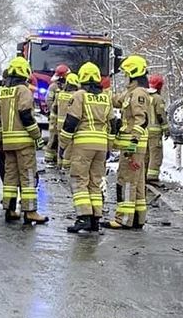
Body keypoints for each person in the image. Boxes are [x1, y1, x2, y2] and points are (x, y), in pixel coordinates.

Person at [0, 56, 49, 224]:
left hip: (8, 142)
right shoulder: (23, 90)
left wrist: (2, 138)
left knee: (10, 177)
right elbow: (26, 115)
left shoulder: (3, 91)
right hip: (24, 142)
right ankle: (30, 211)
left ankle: (10, 209)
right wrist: (37, 137)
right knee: (28, 176)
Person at [61, 63, 112, 233]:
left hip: (83, 144)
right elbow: (113, 123)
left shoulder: (79, 95)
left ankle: (83, 217)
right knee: (95, 182)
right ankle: (95, 219)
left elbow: (71, 122)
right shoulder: (106, 97)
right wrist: (109, 146)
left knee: (79, 180)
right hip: (101, 145)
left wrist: (63, 145)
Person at [107, 54, 151, 230]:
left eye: (126, 73)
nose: (125, 76)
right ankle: (137, 219)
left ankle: (123, 219)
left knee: (125, 181)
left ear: (133, 73)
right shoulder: (131, 92)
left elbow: (142, 120)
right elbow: (117, 101)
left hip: (133, 147)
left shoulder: (139, 94)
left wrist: (132, 144)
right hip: (133, 146)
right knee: (137, 184)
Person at [44, 64, 70, 168]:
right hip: (55, 118)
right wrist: (54, 111)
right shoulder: (54, 86)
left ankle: (60, 159)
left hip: (66, 117)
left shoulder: (70, 85)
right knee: (53, 138)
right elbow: (49, 100)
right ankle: (50, 158)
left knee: (63, 139)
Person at [146, 74, 168, 184]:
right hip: (154, 132)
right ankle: (152, 177)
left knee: (146, 155)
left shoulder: (143, 96)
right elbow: (161, 115)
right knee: (156, 155)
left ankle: (144, 175)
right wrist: (166, 128)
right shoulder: (157, 99)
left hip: (143, 131)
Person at [56, 72, 80, 172]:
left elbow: (54, 108)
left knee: (61, 144)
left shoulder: (60, 94)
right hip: (70, 124)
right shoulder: (76, 96)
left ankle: (59, 163)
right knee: (69, 147)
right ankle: (66, 165)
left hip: (59, 124)